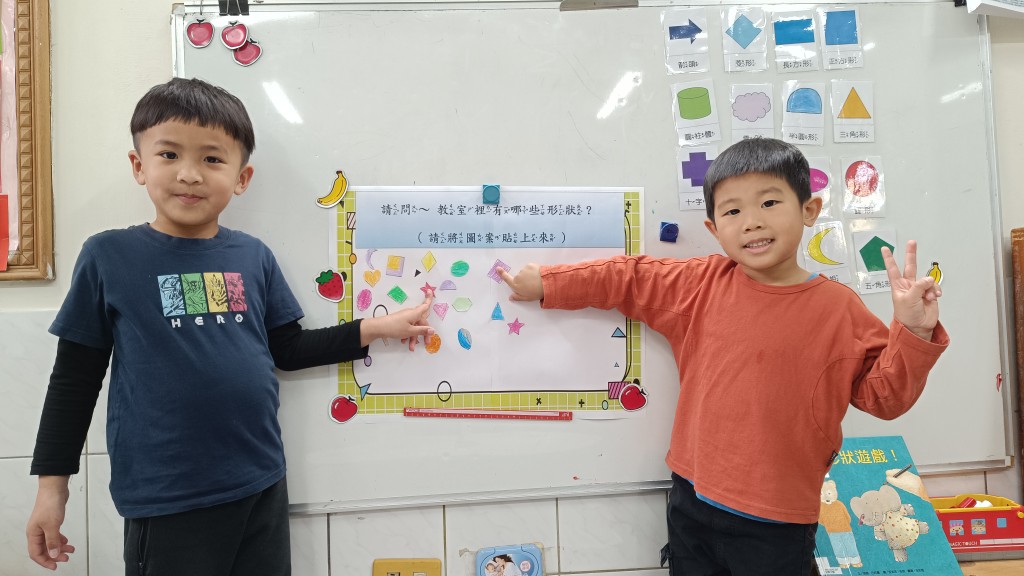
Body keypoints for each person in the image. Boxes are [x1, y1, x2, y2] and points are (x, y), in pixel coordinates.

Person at [25, 78, 435, 575]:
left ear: (242, 177)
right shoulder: (109, 256)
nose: (190, 174)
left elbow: (286, 349)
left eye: (212, 159)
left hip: (260, 481)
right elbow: (74, 379)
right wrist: (53, 488)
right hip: (169, 496)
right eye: (169, 154)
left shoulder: (252, 255)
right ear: (138, 165)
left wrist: (378, 327)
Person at [498, 138, 948, 576]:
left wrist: (914, 331)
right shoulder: (701, 284)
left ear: (809, 210)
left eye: (769, 203)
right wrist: (550, 283)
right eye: (733, 211)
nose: (751, 222)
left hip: (778, 520)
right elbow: (628, 278)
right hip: (690, 499)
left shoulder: (839, 308)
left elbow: (884, 398)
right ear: (714, 229)